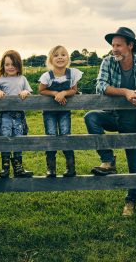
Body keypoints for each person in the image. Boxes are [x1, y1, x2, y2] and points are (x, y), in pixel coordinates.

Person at [84, 27, 136, 217]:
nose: (115, 49)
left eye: (119, 45)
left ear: (130, 46)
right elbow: (100, 86)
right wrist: (125, 92)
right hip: (112, 115)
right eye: (113, 45)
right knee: (91, 117)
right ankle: (108, 160)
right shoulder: (108, 62)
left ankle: (131, 200)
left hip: (134, 120)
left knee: (133, 164)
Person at [38, 45, 83, 177]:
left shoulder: (72, 74)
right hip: (49, 112)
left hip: (64, 110)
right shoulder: (47, 76)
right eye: (56, 55)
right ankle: (51, 168)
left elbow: (74, 90)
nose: (60, 57)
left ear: (68, 58)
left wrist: (64, 92)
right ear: (51, 59)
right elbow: (41, 90)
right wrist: (55, 93)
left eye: (63, 54)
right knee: (51, 135)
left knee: (65, 135)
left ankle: (70, 167)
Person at [0, 50, 34, 178]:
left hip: (18, 116)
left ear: (18, 65)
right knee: (5, 139)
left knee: (19, 139)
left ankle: (18, 167)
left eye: (13, 64)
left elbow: (28, 90)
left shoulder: (22, 79)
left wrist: (25, 92)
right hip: (5, 115)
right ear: (3, 66)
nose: (10, 67)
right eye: (7, 64)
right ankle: (5, 167)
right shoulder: (0, 79)